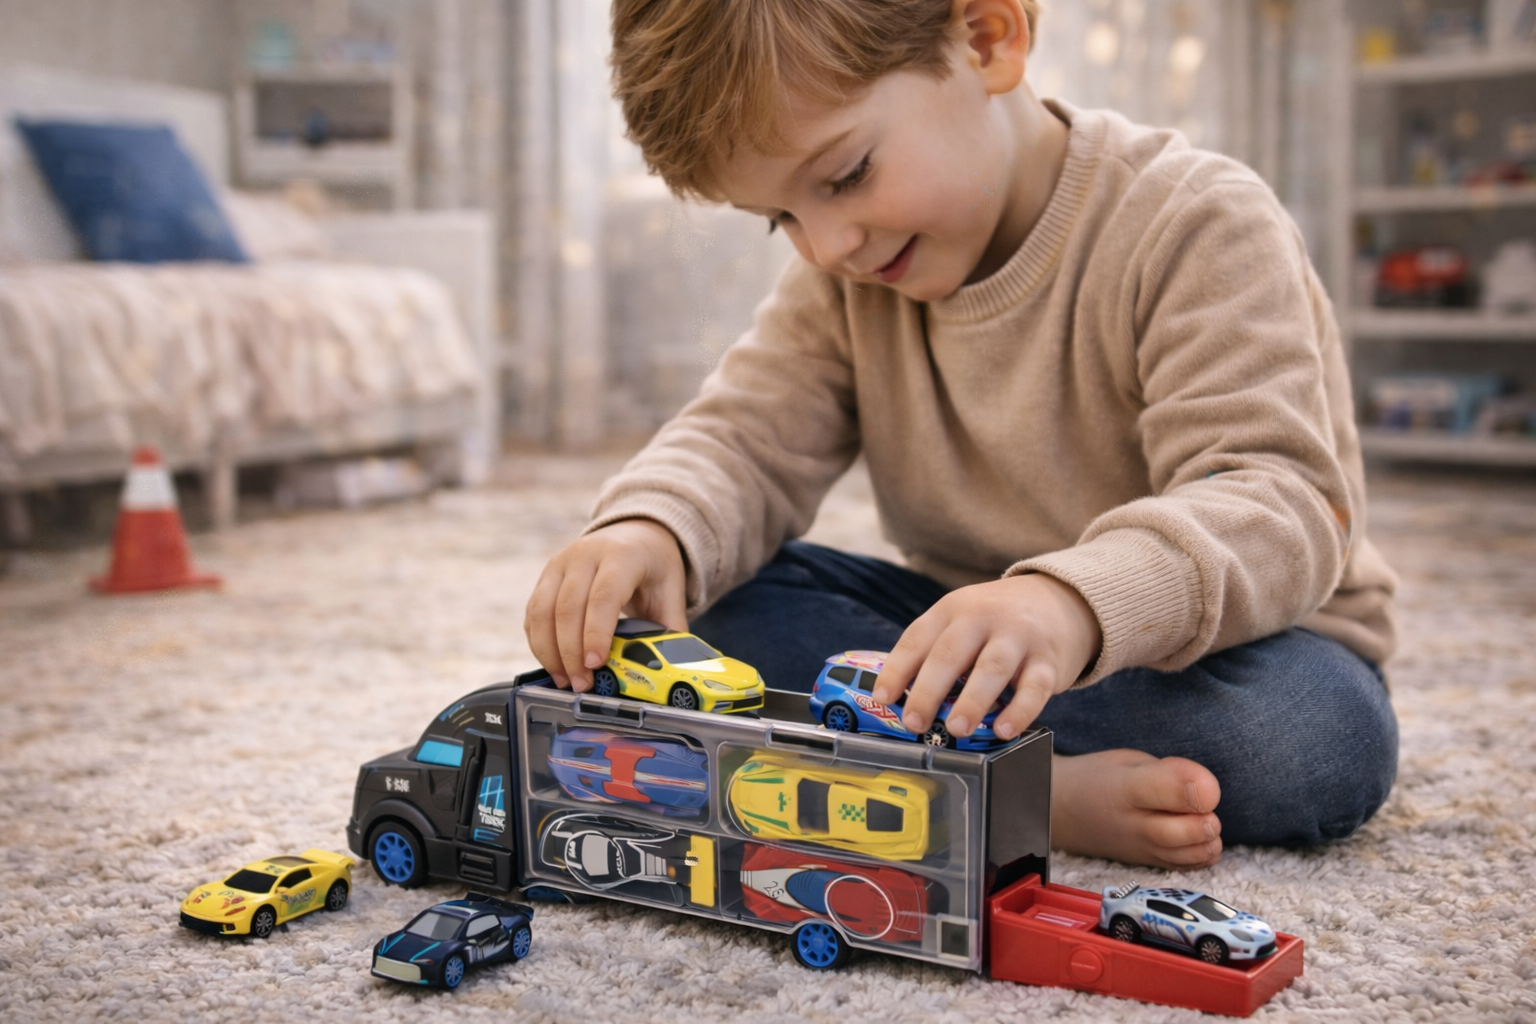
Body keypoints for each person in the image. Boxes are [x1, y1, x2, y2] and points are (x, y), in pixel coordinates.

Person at [524, 0, 1399, 869]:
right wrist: (651, 527)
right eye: (779, 218)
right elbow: (745, 438)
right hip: (956, 642)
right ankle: (1025, 789)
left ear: (987, 38)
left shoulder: (1197, 221)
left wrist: (1066, 606)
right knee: (704, 603)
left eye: (846, 175)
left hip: (1217, 653)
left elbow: (1276, 501)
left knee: (1315, 734)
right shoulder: (845, 276)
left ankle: (940, 766)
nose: (825, 246)